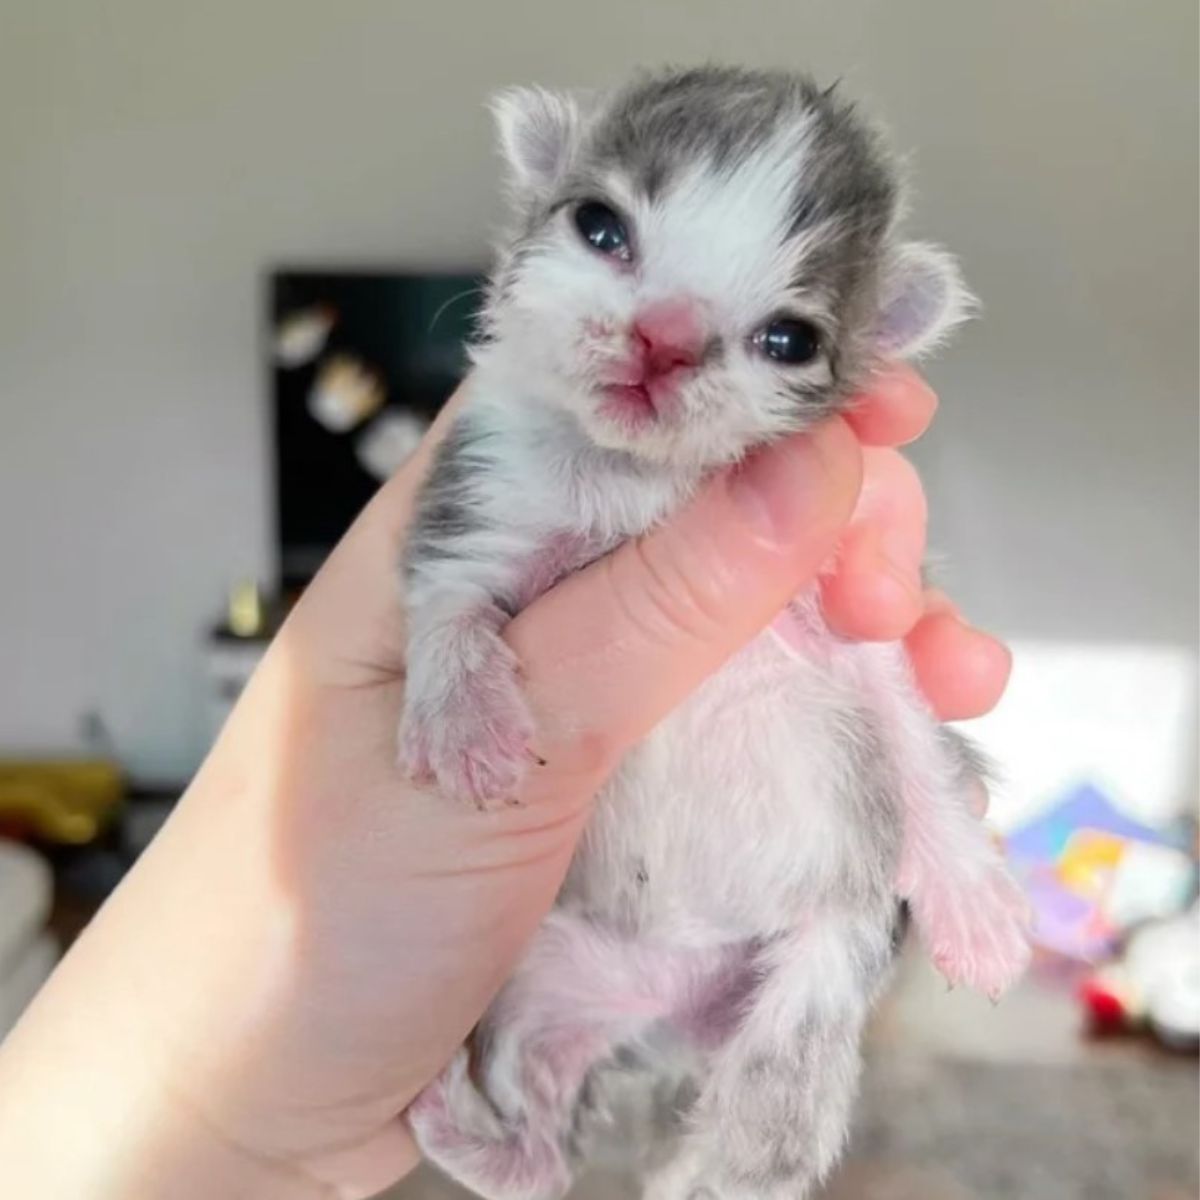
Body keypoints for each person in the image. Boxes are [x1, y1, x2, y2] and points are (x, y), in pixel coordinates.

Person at [0, 366, 1009, 1200]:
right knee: (546, 996)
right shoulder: (540, 477)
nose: (668, 363)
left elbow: (887, 704)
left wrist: (946, 857)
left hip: (782, 910)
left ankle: (749, 1169)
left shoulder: (805, 529)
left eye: (779, 339)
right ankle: (528, 1133)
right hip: (592, 927)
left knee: (829, 959)